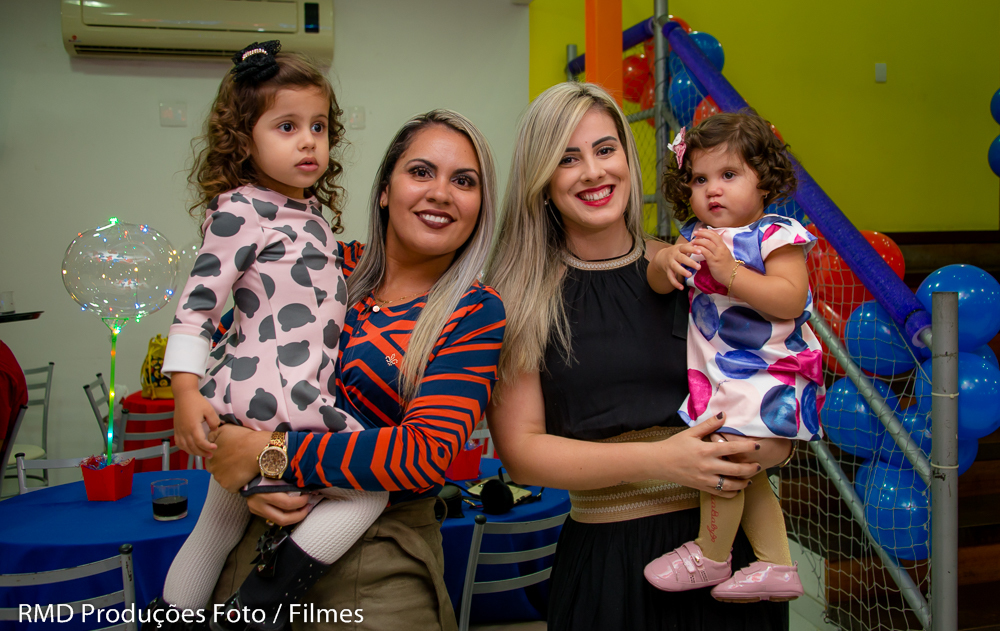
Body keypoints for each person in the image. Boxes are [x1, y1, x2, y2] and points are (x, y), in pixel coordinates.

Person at [483, 82, 790, 629]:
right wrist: (661, 460)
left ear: (628, 157)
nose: (593, 172)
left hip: (730, 556)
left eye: (606, 149)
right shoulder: (518, 296)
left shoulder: (692, 269)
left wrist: (773, 442)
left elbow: (763, 362)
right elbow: (522, 452)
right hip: (612, 563)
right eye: (567, 159)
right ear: (541, 179)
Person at [200, 109, 505, 631]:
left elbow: (423, 455)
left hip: (377, 564)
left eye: (464, 181)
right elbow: (227, 359)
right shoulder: (323, 262)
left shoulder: (474, 311)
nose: (441, 193)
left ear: (480, 206)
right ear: (385, 190)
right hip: (255, 540)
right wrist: (235, 456)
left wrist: (269, 453)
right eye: (421, 172)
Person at [156, 41, 388, 630]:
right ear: (244, 140)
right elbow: (198, 305)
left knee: (216, 525)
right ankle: (259, 607)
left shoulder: (304, 216)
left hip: (268, 394)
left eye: (318, 126)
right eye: (287, 126)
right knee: (369, 488)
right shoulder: (242, 210)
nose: (308, 141)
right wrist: (184, 390)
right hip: (278, 397)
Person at [643, 111, 823, 601]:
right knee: (742, 471)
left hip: (770, 380)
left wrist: (731, 273)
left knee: (721, 460)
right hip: (724, 383)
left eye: (728, 175)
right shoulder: (694, 235)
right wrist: (666, 261)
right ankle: (777, 565)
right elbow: (658, 284)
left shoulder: (776, 234)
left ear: (763, 180)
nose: (712, 190)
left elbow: (791, 299)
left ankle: (711, 555)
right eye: (700, 179)